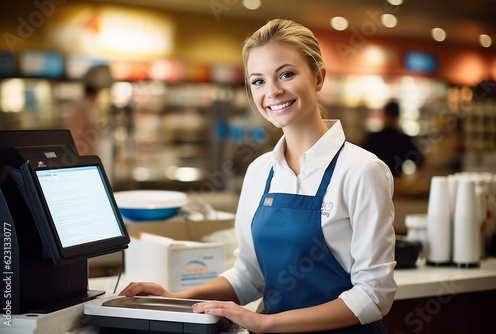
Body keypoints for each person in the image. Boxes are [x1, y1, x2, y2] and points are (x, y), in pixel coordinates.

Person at [119, 18, 396, 333]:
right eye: (258, 81)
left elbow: (374, 296)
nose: (273, 91)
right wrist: (176, 298)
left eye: (286, 74)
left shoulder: (362, 170)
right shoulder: (260, 172)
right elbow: (250, 276)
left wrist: (267, 323)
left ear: (319, 78)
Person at [364, 101, 423, 178]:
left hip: (374, 181)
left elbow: (363, 163)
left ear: (385, 115)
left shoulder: (374, 138)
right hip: (396, 184)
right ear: (398, 116)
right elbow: (420, 161)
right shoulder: (403, 139)